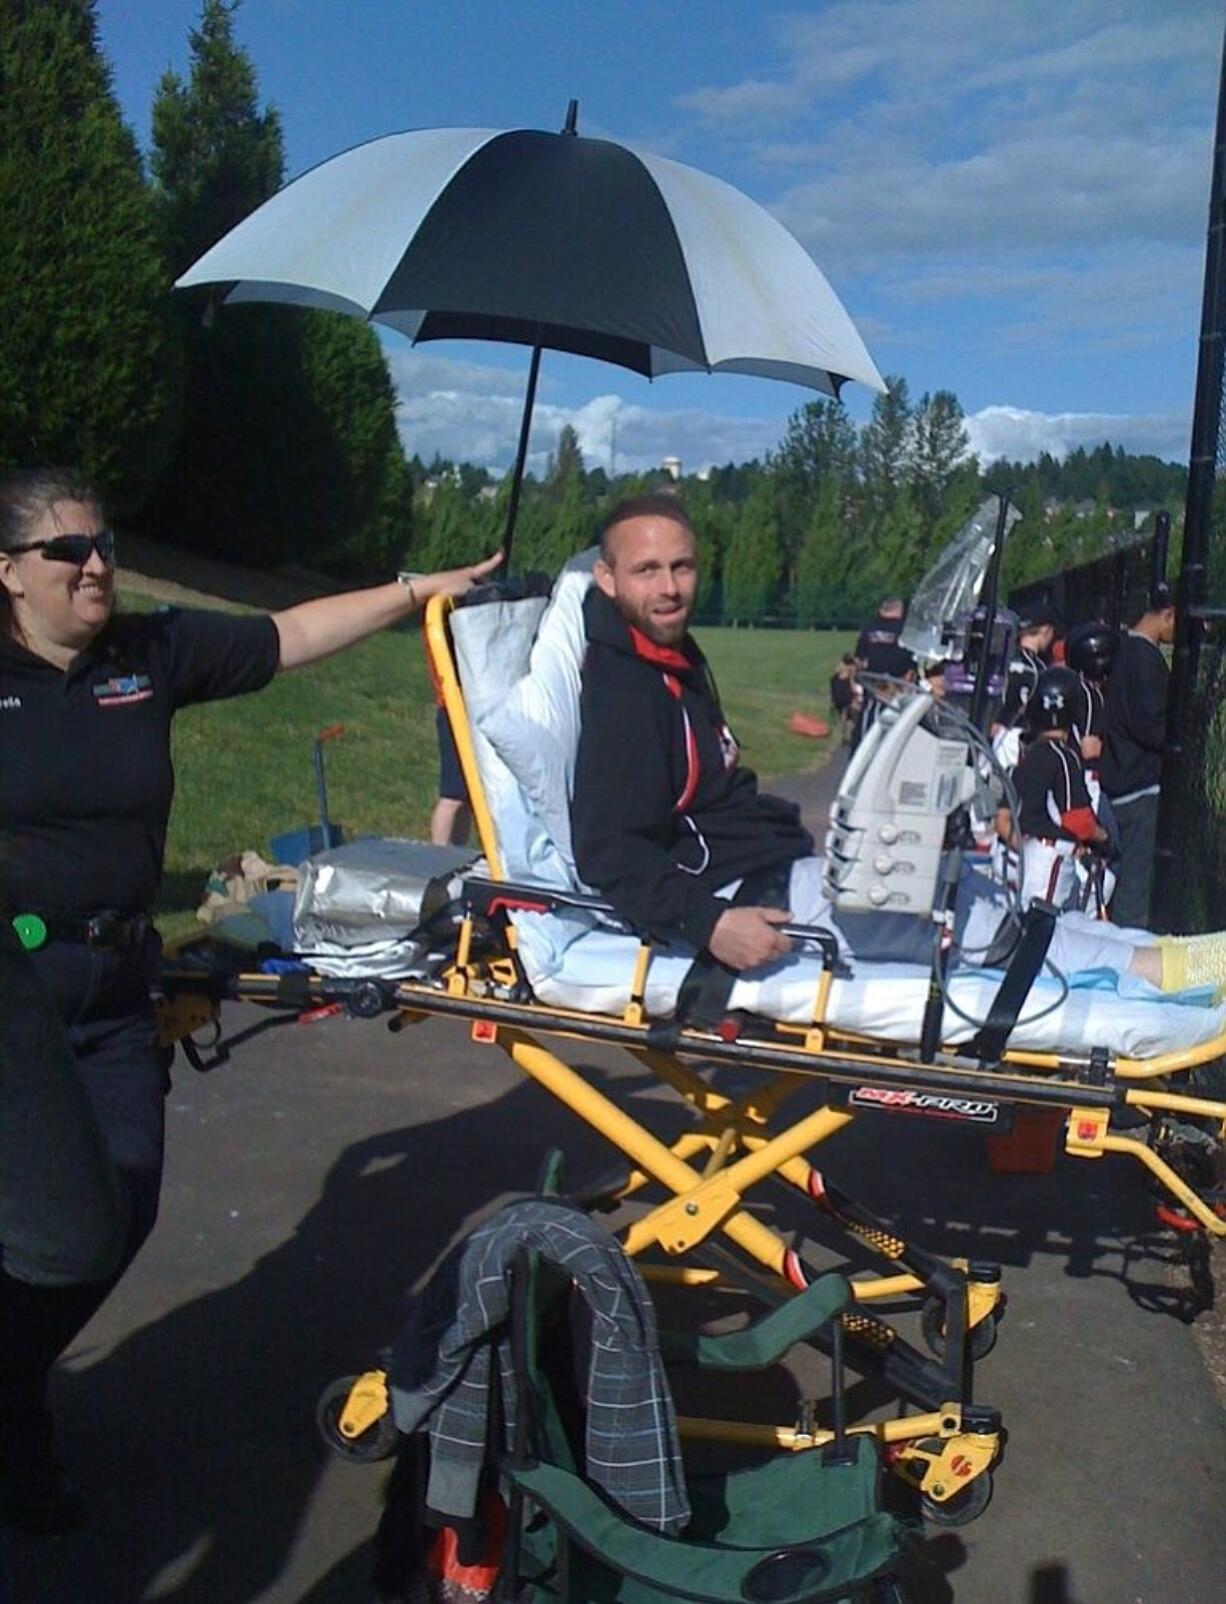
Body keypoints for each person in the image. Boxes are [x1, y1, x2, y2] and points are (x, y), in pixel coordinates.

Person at [0, 465, 500, 1532]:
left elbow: (291, 635)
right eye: (66, 550)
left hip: (117, 981)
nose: (96, 562)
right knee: (58, 1227)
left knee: (121, 1205)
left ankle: (12, 1380)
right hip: (18, 990)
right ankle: (18, 1420)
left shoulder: (148, 651)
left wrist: (414, 589)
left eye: (102, 542)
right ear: (7, 572)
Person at [568, 495, 1222, 997]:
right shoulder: (624, 690)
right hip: (732, 900)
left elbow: (720, 798)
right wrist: (708, 923)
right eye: (647, 570)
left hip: (768, 873)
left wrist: (803, 850)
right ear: (606, 577)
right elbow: (607, 852)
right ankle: (1149, 973)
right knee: (964, 918)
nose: (670, 587)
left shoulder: (671, 658)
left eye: (681, 566)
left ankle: (1143, 949)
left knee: (975, 882)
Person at [994, 666, 1109, 911]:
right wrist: (1106, 839)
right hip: (1049, 859)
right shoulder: (1064, 756)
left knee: (1021, 927)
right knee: (1045, 936)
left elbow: (1002, 820)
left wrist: (1024, 848)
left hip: (1017, 857)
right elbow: (1079, 822)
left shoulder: (1029, 757)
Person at [1100, 584, 1176, 929]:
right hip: (1139, 786)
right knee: (1135, 885)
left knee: (1125, 877)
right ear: (1168, 615)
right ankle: (1129, 959)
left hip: (1120, 780)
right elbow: (1151, 725)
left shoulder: (1126, 652)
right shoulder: (1143, 658)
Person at [992, 602, 1058, 771]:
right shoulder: (1038, 669)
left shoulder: (1002, 659)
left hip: (995, 732)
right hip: (1018, 736)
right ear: (1045, 630)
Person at [854, 596, 906, 674]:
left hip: (869, 677)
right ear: (899, 609)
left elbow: (858, 656)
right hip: (897, 680)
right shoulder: (904, 629)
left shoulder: (868, 627)